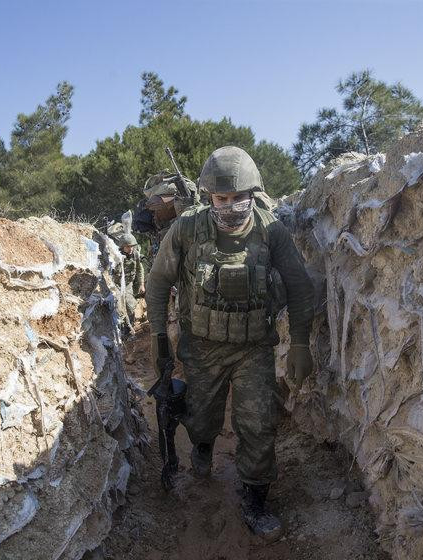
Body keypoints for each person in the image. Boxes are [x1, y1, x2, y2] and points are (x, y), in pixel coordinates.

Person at [145, 146, 315, 540]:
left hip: (254, 347)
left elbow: (300, 288)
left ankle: (255, 498)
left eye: (240, 198)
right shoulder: (187, 229)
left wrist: (302, 343)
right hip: (202, 348)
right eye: (222, 198)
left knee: (258, 423)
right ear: (209, 197)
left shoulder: (272, 230)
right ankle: (201, 444)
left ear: (253, 193)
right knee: (203, 419)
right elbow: (158, 284)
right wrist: (158, 338)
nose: (232, 206)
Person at [113, 233, 145, 335]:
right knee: (119, 307)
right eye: (128, 246)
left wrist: (141, 284)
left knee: (130, 306)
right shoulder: (116, 256)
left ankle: (129, 327)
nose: (130, 248)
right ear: (122, 246)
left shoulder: (135, 254)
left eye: (132, 246)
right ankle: (122, 330)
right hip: (116, 285)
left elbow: (140, 270)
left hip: (128, 284)